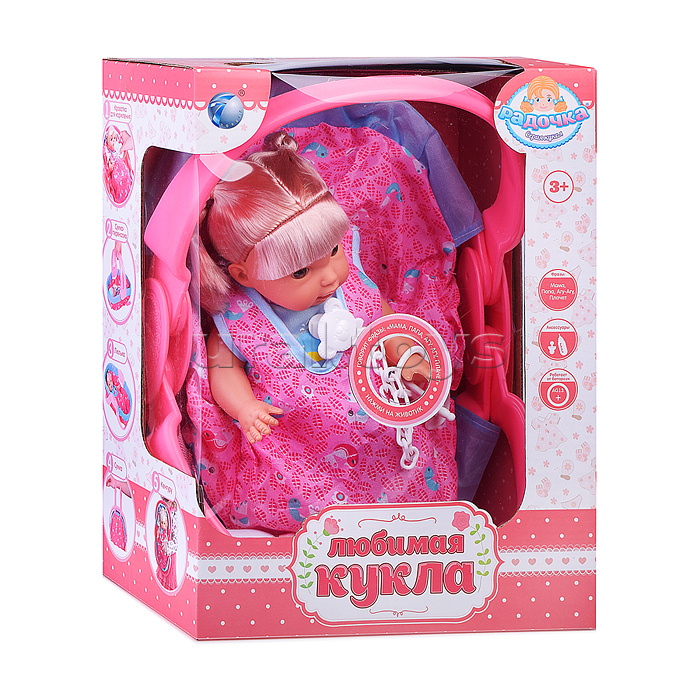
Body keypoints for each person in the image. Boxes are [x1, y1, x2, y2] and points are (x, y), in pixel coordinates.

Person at [188, 131, 458, 533]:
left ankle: (405, 524)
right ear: (245, 275)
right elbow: (222, 369)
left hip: (381, 431)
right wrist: (244, 407)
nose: (330, 276)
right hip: (297, 440)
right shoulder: (241, 316)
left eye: (333, 251)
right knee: (290, 488)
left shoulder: (352, 284)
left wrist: (407, 356)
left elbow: (385, 324)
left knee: (406, 468)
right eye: (300, 272)